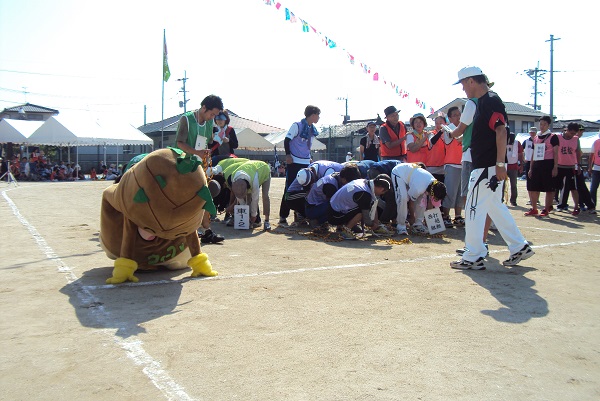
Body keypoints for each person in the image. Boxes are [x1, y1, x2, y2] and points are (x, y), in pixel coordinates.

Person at [450, 66, 534, 270]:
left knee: (472, 208)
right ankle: (519, 246)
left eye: (463, 84)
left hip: (487, 166)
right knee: (494, 207)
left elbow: (501, 132)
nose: (463, 89)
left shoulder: (490, 101)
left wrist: (499, 164)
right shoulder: (484, 102)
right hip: (488, 165)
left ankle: (473, 255)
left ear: (471, 81)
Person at [174, 94, 225, 244]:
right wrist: (197, 152)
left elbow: (207, 143)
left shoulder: (209, 124)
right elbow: (179, 143)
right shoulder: (186, 119)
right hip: (183, 164)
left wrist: (206, 153)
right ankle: (185, 231)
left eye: (215, 115)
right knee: (187, 199)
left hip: (200, 165)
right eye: (212, 113)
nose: (213, 117)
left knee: (204, 196)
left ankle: (206, 230)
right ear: (203, 108)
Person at [278, 105, 321, 226]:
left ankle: (300, 215)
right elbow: (287, 140)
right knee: (290, 188)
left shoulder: (312, 128)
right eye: (318, 115)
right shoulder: (297, 125)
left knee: (305, 189)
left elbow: (308, 145)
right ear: (312, 115)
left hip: (306, 162)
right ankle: (283, 216)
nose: (319, 117)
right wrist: (287, 155)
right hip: (294, 161)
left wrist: (309, 156)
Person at [328, 175, 392, 240]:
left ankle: (343, 226)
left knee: (366, 207)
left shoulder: (364, 183)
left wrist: (377, 224)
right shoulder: (364, 194)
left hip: (333, 207)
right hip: (334, 215)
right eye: (383, 192)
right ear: (381, 188)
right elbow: (366, 219)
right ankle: (346, 230)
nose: (382, 194)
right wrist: (373, 225)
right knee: (361, 212)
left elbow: (373, 205)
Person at [390, 163, 447, 235]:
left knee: (422, 200)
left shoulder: (433, 183)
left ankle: (418, 224)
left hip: (412, 178)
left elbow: (428, 203)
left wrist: (430, 222)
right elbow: (411, 202)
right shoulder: (419, 188)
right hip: (399, 173)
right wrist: (412, 218)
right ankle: (401, 225)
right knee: (403, 198)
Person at [304, 164, 362, 229]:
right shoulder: (331, 185)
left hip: (319, 206)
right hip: (313, 209)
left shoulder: (339, 177)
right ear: (344, 179)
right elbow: (333, 207)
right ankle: (317, 221)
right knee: (337, 205)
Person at [525, 116, 559, 217]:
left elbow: (556, 152)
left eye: (544, 124)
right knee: (534, 187)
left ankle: (546, 209)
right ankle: (534, 208)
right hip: (537, 164)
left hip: (548, 164)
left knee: (549, 188)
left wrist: (555, 167)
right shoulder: (536, 137)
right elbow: (533, 153)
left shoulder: (553, 137)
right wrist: (531, 167)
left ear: (548, 125)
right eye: (540, 124)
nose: (542, 126)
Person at [228, 160, 272, 230]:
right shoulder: (234, 180)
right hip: (250, 171)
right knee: (247, 199)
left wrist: (253, 215)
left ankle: (267, 221)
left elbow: (255, 199)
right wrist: (246, 215)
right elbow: (240, 199)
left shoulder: (254, 181)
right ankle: (250, 221)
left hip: (264, 170)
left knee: (265, 195)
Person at [441, 109, 464, 227]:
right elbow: (455, 137)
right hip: (451, 164)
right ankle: (445, 216)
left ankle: (458, 215)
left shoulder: (463, 127)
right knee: (450, 191)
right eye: (455, 115)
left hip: (463, 164)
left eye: (459, 114)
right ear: (449, 118)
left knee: (461, 192)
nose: (458, 117)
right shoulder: (448, 128)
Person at [555, 122, 583, 215]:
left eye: (574, 133)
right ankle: (554, 205)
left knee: (573, 187)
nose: (572, 135)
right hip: (559, 165)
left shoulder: (576, 139)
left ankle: (576, 206)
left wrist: (578, 165)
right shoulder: (558, 137)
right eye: (571, 133)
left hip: (571, 166)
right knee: (557, 187)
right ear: (567, 130)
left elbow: (578, 152)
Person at [505, 131, 524, 206]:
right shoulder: (504, 141)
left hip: (514, 166)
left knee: (513, 184)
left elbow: (520, 154)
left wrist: (521, 165)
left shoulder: (517, 143)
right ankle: (501, 199)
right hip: (505, 166)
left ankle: (513, 200)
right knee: (502, 184)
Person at [427, 116, 447, 182]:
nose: (438, 125)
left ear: (445, 123)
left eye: (441, 123)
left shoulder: (449, 134)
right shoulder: (432, 133)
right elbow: (432, 141)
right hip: (433, 169)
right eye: (436, 123)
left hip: (445, 169)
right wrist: (441, 132)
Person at [588, 131, 600, 213]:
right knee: (593, 189)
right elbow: (591, 155)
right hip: (596, 168)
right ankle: (592, 206)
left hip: (596, 168)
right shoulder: (596, 142)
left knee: (593, 188)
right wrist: (590, 167)